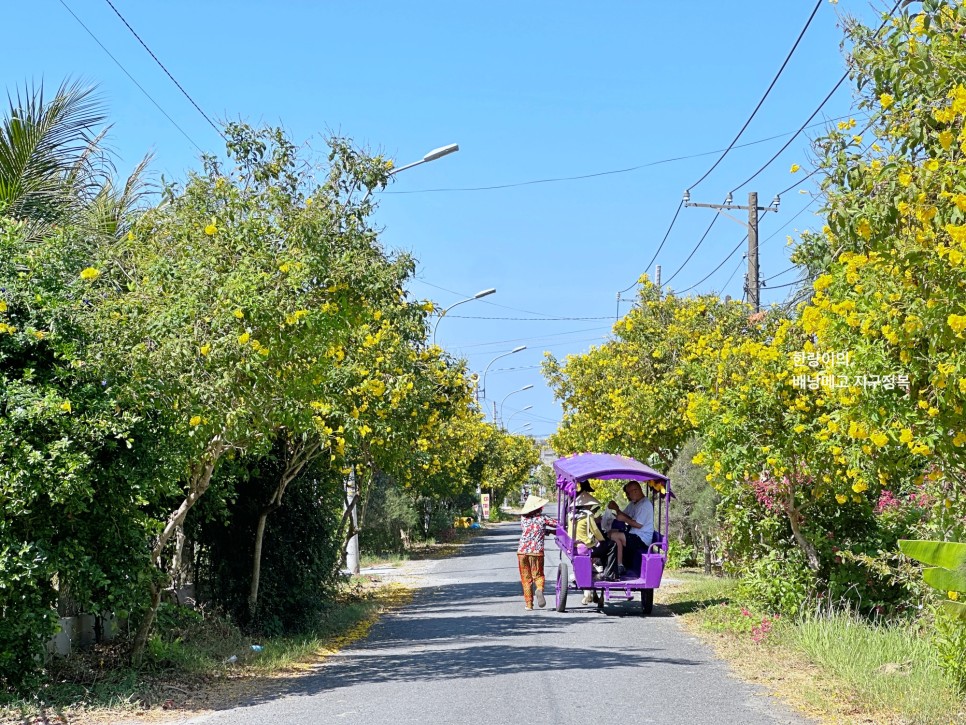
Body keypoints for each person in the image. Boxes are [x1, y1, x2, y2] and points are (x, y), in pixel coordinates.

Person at [571, 485, 619, 604]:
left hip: (575, 546)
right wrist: (602, 540)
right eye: (590, 505)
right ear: (587, 505)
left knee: (604, 546)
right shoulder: (587, 515)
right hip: (588, 547)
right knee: (611, 545)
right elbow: (595, 531)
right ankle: (609, 574)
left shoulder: (571, 515)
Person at [517, 494, 557, 610]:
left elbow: (532, 530)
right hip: (536, 552)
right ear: (539, 508)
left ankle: (529, 604)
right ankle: (539, 589)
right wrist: (553, 531)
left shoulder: (523, 518)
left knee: (526, 578)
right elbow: (558, 525)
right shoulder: (543, 519)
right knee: (538, 575)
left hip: (522, 552)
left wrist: (546, 531)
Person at [605, 480, 654, 575]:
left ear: (636, 491)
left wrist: (624, 519)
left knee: (614, 535)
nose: (627, 495)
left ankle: (620, 565)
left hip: (642, 539)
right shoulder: (634, 503)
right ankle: (618, 563)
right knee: (611, 532)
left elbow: (638, 525)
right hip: (634, 534)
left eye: (628, 493)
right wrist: (616, 509)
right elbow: (624, 515)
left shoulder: (645, 505)